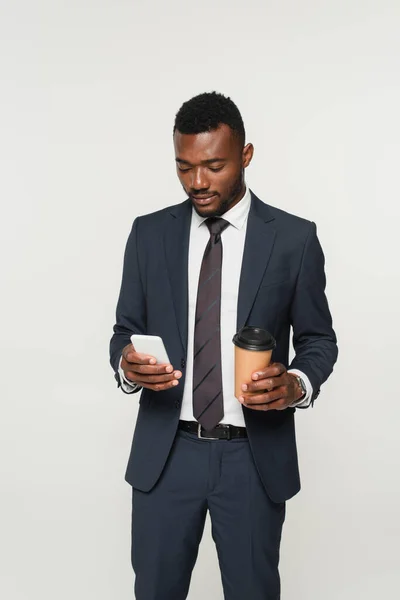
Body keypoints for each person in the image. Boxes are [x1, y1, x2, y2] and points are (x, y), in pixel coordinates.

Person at [110, 91, 338, 600]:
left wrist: (296, 384)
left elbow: (319, 338)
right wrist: (127, 365)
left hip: (252, 459)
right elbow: (123, 329)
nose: (197, 181)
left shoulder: (294, 239)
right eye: (184, 166)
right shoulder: (148, 235)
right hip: (166, 456)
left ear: (246, 155)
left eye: (213, 165)